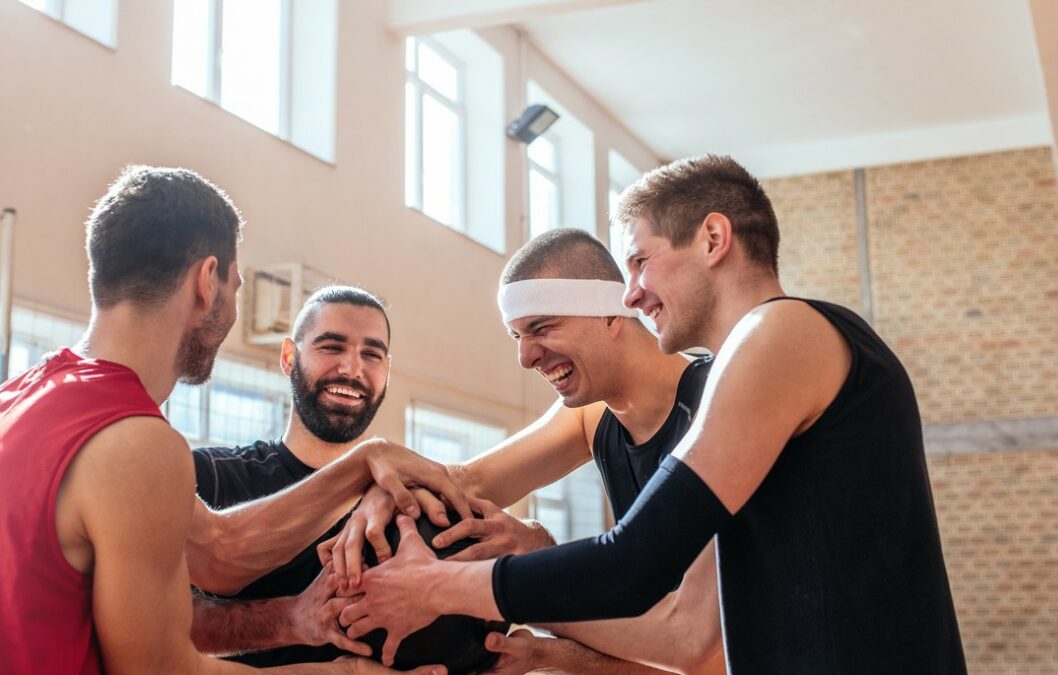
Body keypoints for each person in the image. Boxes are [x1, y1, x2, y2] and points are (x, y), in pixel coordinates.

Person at [337, 154, 968, 674]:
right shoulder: (742, 365)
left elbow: (641, 573)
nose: (633, 291)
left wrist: (432, 587)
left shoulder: (784, 331)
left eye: (640, 261)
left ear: (713, 239)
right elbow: (470, 483)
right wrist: (381, 486)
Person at [0, 166, 460, 675]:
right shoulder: (136, 444)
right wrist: (345, 673)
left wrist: (364, 461)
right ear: (207, 281)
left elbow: (218, 553)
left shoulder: (19, 398)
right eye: (236, 286)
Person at [328, 229, 725, 673]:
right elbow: (469, 481)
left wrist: (485, 580)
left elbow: (703, 650)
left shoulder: (722, 406)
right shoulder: (593, 416)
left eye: (542, 327)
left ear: (612, 315)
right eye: (516, 335)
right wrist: (389, 490)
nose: (525, 357)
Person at [190, 285, 444, 665]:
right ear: (290, 357)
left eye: (371, 354)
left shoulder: (409, 501)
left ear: (386, 371)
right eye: (332, 347)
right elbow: (158, 621)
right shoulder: (209, 479)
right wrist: (288, 617)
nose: (352, 369)